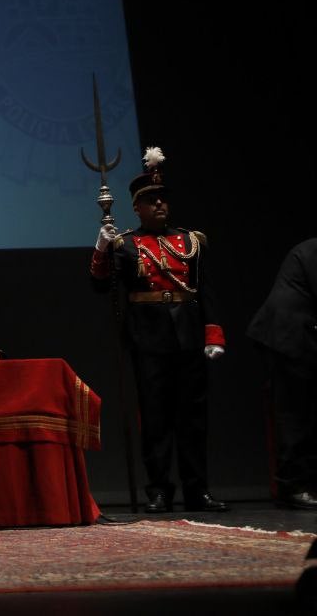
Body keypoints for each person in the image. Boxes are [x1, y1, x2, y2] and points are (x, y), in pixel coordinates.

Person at [90, 146, 227, 514]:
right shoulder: (127, 244)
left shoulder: (192, 242)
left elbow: (205, 290)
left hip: (188, 334)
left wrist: (212, 334)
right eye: (152, 202)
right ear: (137, 207)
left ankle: (198, 490)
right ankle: (159, 490)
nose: (160, 206)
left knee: (193, 419)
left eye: (163, 200)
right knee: (155, 419)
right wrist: (103, 248)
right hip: (148, 337)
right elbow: (101, 283)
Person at [247, 238, 317, 510]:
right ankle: (293, 485)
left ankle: (298, 483)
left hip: (294, 338)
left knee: (301, 412)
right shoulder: (312, 251)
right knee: (296, 414)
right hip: (289, 338)